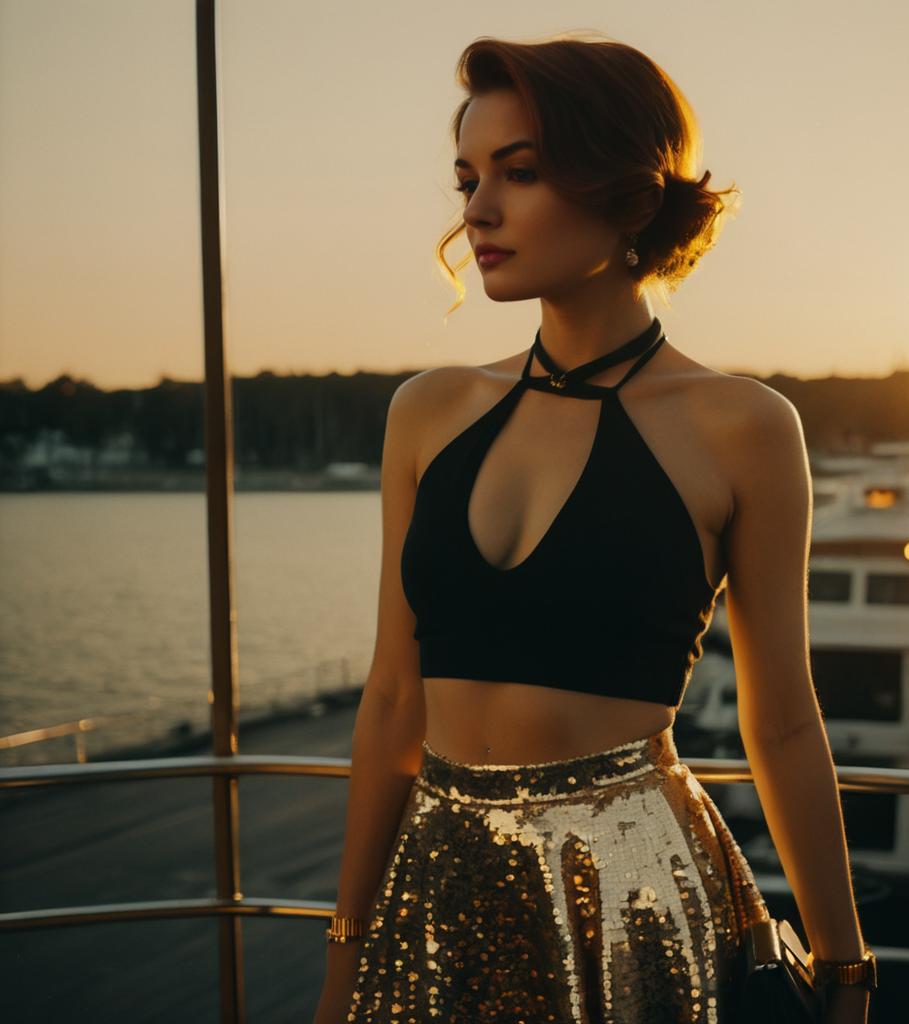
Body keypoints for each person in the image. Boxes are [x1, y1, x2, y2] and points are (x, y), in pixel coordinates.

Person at [314, 31, 875, 1024]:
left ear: (623, 191)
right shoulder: (428, 411)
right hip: (435, 890)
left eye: (519, 173)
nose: (478, 211)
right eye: (466, 179)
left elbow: (782, 717)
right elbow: (394, 698)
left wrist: (843, 967)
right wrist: (346, 949)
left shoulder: (741, 427)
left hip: (635, 893)